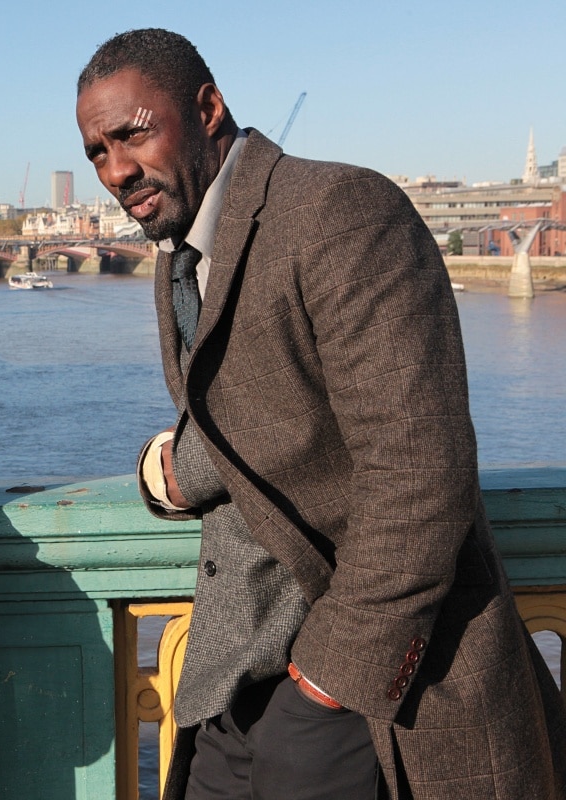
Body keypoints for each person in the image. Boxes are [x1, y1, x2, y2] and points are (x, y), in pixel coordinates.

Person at [76, 29, 566, 800]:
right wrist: (167, 471)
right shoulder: (181, 254)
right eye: (98, 151)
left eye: (133, 132)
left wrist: (325, 687)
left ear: (208, 108)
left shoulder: (340, 211)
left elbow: (420, 478)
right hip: (231, 693)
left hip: (356, 698)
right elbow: (262, 411)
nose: (116, 169)